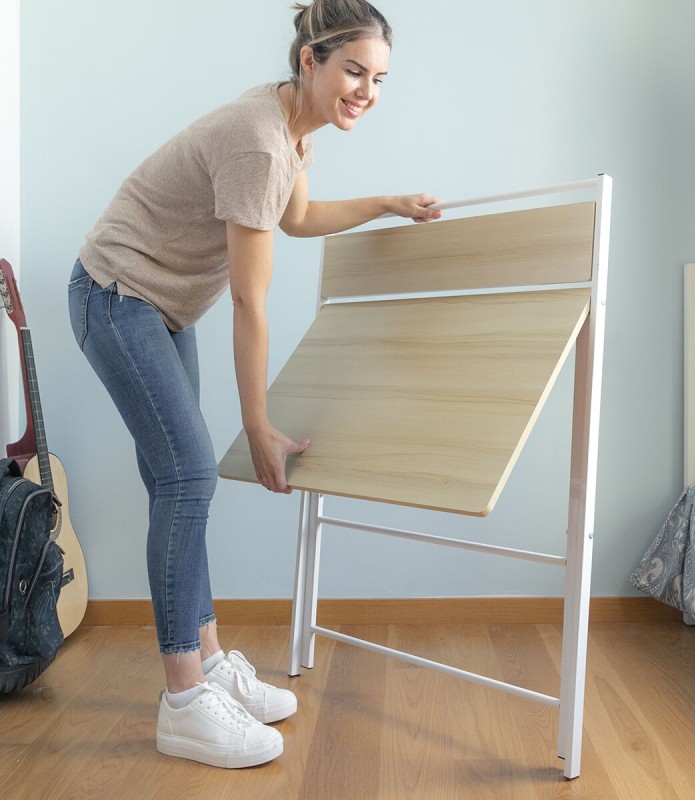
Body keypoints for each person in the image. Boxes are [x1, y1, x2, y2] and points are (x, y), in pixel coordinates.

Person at [67, 0, 441, 770]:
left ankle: (206, 664)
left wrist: (385, 202)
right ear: (311, 60)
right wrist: (259, 425)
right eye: (353, 72)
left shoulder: (292, 132)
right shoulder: (261, 142)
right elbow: (250, 301)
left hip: (161, 309)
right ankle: (184, 700)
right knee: (189, 475)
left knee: (179, 480)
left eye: (378, 78)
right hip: (118, 297)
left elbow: (295, 218)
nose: (366, 91)